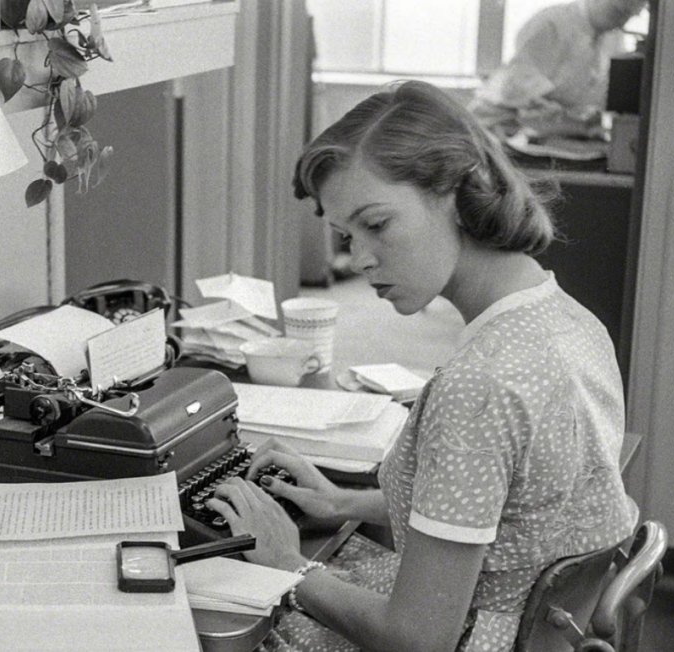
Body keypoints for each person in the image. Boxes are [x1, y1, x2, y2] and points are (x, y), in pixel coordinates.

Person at [206, 80, 639, 652]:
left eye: (378, 224)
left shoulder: (480, 385)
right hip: (541, 631)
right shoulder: (571, 320)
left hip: (470, 639)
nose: (359, 259)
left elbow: (417, 637)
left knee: (211, 618)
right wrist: (342, 501)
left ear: (462, 192)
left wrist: (289, 564)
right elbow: (512, 512)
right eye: (344, 235)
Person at [469, 0, 647, 138]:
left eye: (630, 15)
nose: (622, 22)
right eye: (618, 11)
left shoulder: (613, 36)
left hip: (546, 128)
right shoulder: (551, 23)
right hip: (498, 122)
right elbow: (520, 87)